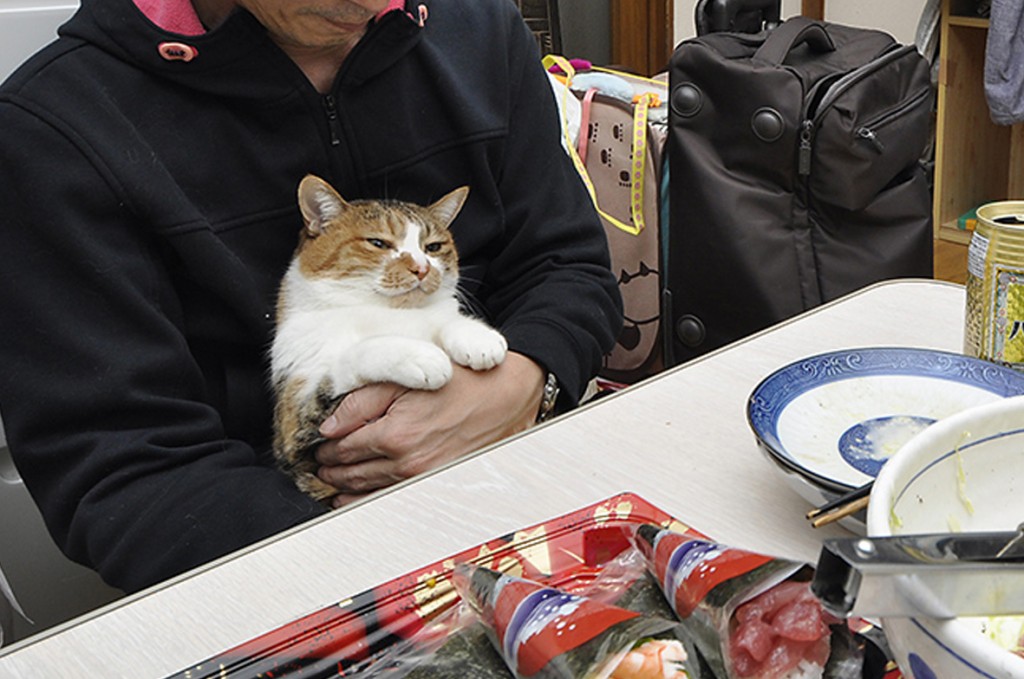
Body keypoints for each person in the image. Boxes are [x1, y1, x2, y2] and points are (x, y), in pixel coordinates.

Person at [0, 0, 622, 594]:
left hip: (526, 500)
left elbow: (569, 266)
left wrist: (523, 383)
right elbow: (122, 476)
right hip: (288, 568)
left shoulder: (483, 31)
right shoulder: (55, 129)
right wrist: (374, 559)